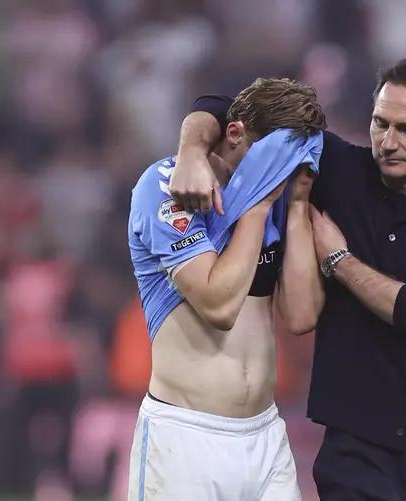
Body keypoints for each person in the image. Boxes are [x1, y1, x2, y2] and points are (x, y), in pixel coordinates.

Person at [171, 57, 406, 500]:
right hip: (359, 455)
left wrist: (339, 260)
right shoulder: (337, 168)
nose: (388, 143)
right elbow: (229, 108)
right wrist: (191, 152)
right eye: (380, 123)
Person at [126, 77, 327, 501]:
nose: (278, 174)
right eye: (272, 161)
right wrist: (257, 203)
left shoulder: (279, 198)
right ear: (234, 134)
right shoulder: (166, 188)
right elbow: (218, 305)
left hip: (267, 436)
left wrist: (295, 207)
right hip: (185, 440)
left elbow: (301, 316)